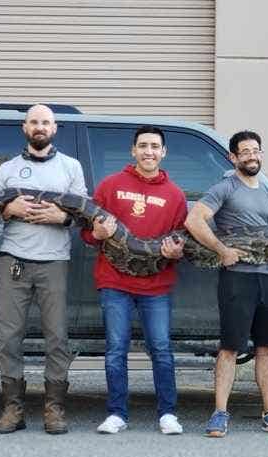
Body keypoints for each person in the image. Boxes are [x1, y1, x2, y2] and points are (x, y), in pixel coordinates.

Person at [184, 130, 268, 438]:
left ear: (261, 154)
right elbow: (194, 220)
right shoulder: (225, 188)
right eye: (244, 152)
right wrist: (222, 251)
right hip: (238, 279)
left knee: (266, 349)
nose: (251, 156)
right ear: (233, 158)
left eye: (255, 150)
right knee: (230, 348)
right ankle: (219, 413)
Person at [0, 104, 87, 435]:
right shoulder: (7, 169)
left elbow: (83, 212)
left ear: (55, 128)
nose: (40, 127)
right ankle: (12, 410)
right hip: (13, 260)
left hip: (54, 262)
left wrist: (63, 217)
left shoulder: (71, 167)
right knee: (9, 338)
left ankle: (54, 409)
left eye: (45, 122)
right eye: (34, 122)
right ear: (24, 127)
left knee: (57, 337)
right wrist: (8, 208)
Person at [83, 126, 187, 435]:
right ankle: (117, 414)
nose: (149, 151)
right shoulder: (110, 186)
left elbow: (182, 240)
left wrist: (177, 252)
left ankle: (168, 414)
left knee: (161, 348)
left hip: (157, 286)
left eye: (155, 146)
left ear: (163, 152)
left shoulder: (176, 195)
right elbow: (86, 232)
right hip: (114, 282)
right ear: (133, 150)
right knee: (116, 349)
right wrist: (96, 234)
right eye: (143, 145)